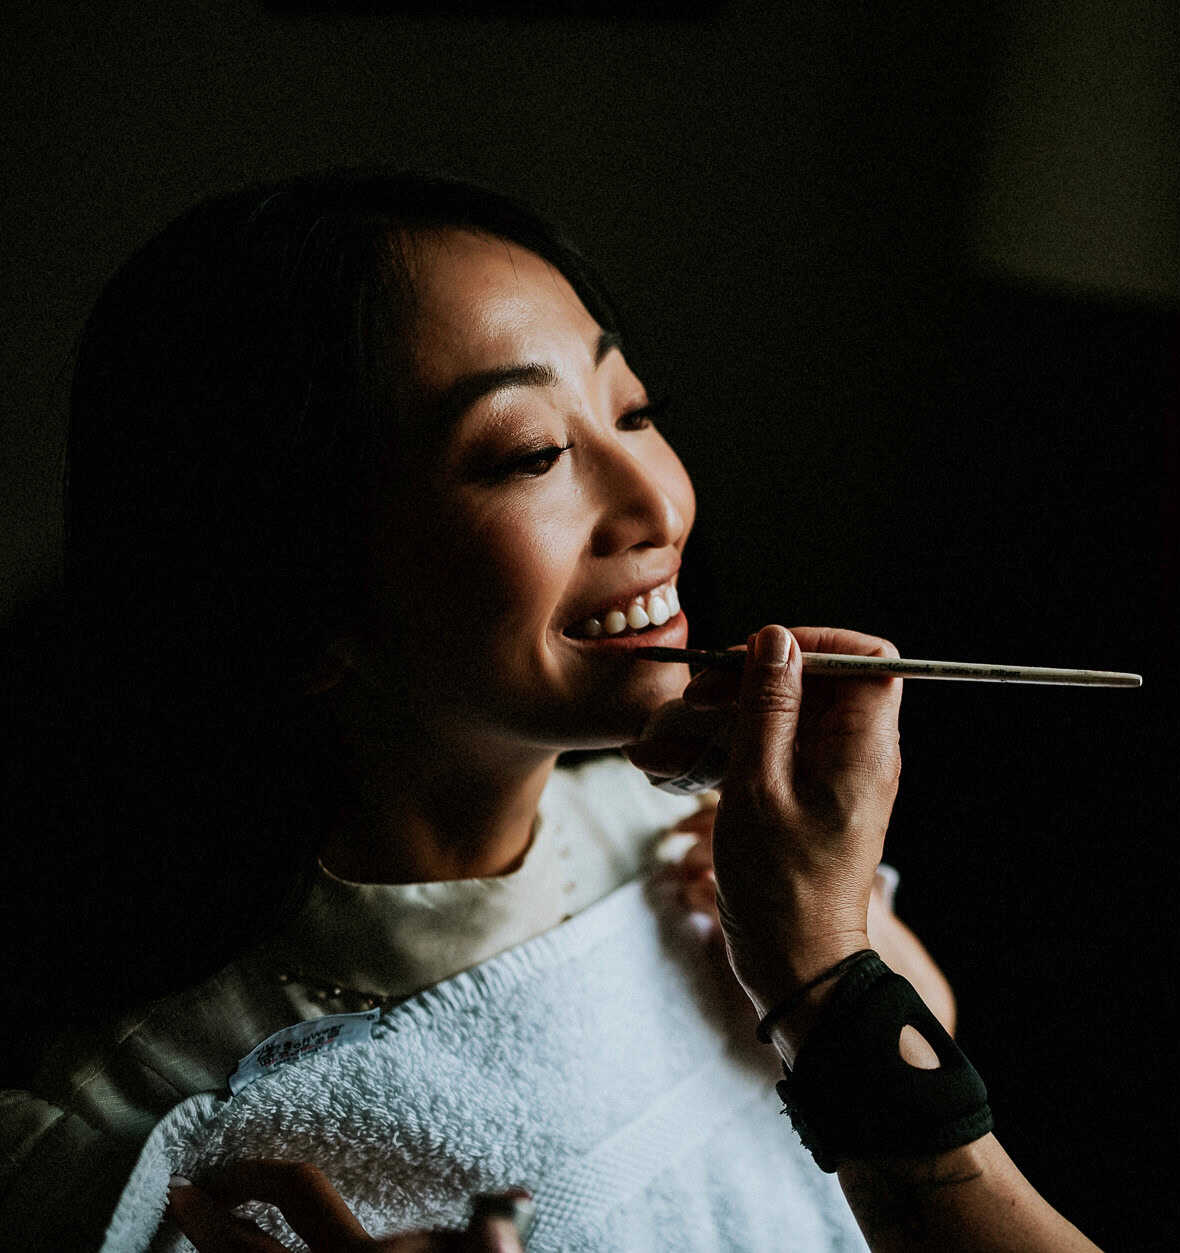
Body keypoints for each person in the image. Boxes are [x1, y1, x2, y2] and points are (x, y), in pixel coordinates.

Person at [0, 170, 1096, 1250]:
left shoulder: (704, 864)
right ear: (293, 596)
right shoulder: (135, 1131)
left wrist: (839, 961)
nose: (658, 504)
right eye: (532, 454)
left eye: (634, 411)